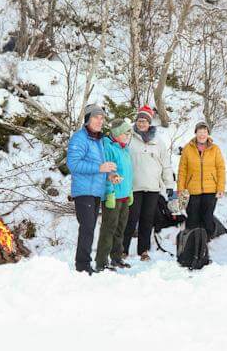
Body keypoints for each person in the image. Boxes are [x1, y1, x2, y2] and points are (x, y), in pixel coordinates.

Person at [122, 105, 175, 261]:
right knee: (130, 219)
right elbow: (121, 160)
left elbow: (166, 165)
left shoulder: (158, 142)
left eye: (144, 121)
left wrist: (169, 185)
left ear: (149, 123)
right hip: (134, 187)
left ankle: (143, 251)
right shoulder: (129, 139)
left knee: (147, 220)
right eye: (139, 120)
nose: (141, 123)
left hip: (152, 188)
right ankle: (123, 249)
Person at [67, 104, 116, 274]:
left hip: (96, 191)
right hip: (83, 191)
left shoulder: (98, 140)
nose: (100, 121)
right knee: (87, 228)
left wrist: (109, 175)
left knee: (90, 228)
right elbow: (73, 164)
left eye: (102, 118)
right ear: (88, 119)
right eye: (96, 117)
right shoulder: (79, 138)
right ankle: (82, 266)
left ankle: (84, 264)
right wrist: (100, 168)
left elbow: (99, 166)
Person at [95, 118, 134, 272]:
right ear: (117, 133)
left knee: (120, 229)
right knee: (109, 229)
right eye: (125, 133)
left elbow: (128, 173)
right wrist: (109, 192)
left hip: (124, 195)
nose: (128, 136)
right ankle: (101, 262)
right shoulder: (108, 148)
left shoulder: (125, 149)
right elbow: (106, 172)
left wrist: (130, 191)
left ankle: (116, 258)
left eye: (129, 133)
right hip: (113, 196)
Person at [177, 121, 226, 235]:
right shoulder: (187, 148)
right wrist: (180, 188)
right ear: (195, 133)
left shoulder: (215, 149)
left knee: (207, 217)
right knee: (192, 218)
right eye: (200, 131)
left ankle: (207, 238)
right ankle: (192, 239)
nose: (202, 134)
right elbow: (182, 170)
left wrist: (220, 188)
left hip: (211, 190)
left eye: (204, 132)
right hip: (192, 189)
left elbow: (221, 169)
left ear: (208, 134)